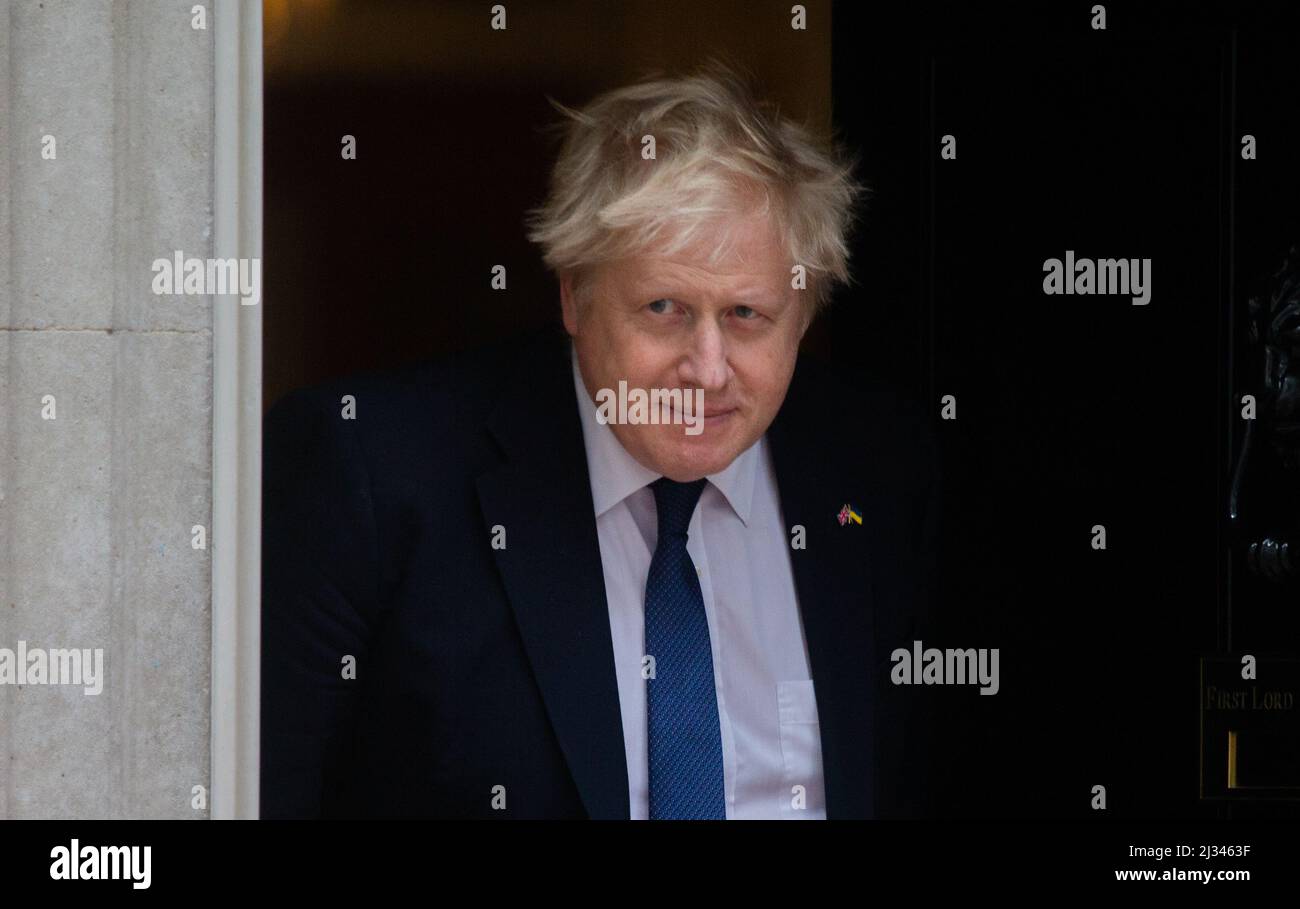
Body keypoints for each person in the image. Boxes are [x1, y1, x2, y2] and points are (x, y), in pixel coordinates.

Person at [261, 62, 941, 819]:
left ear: (805, 310)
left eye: (748, 315)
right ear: (574, 296)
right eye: (663, 308)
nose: (708, 371)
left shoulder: (881, 471)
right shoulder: (374, 475)